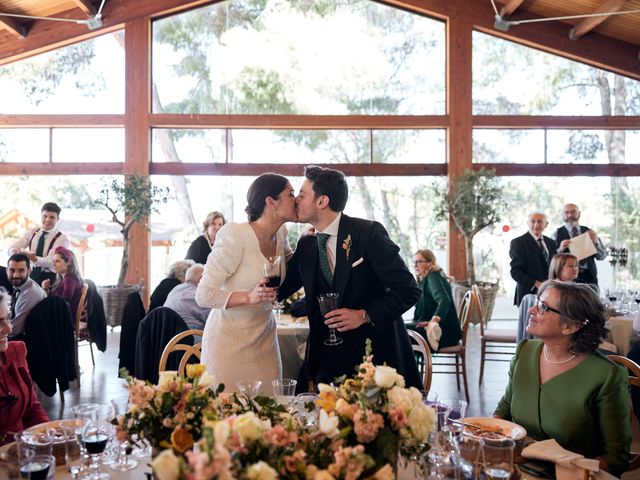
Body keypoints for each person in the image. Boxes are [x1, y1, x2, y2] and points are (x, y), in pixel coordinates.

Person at [278, 165, 422, 390]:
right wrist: (273, 227)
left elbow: (409, 290)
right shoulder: (306, 245)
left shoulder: (368, 234)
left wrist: (364, 315)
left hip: (375, 360)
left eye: (302, 194)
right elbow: (280, 289)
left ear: (322, 201)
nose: (296, 199)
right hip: (328, 362)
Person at [495, 280, 631, 476]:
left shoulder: (607, 376)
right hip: (516, 470)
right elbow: (504, 411)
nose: (531, 310)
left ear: (570, 326)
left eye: (543, 307)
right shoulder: (525, 351)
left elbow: (616, 457)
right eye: (537, 302)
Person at [195, 173, 296, 394]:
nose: (296, 199)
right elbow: (203, 294)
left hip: (265, 341)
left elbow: (292, 263)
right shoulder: (235, 234)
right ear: (271, 202)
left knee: (271, 413)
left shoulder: (281, 233)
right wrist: (249, 297)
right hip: (228, 345)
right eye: (290, 194)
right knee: (229, 420)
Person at [0, 288, 50, 444]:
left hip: (25, 452)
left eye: (8, 319)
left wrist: (48, 433)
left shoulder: (15, 352)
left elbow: (31, 407)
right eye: (0, 323)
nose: (9, 329)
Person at [405, 249, 461, 351]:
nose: (415, 265)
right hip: (446, 330)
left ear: (430, 263)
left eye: (419, 262)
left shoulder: (433, 276)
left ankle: (402, 366)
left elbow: (444, 300)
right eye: (414, 262)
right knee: (399, 328)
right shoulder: (427, 279)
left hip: (445, 332)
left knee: (398, 331)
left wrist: (433, 321)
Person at [517, 253, 579, 341]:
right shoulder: (553, 289)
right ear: (558, 268)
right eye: (570, 266)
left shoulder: (573, 287)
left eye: (576, 266)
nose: (575, 269)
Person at [8, 202, 69, 286]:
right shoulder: (33, 232)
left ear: (57, 219)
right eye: (45, 216)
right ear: (41, 216)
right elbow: (14, 247)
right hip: (30, 274)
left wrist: (35, 259)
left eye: (52, 217)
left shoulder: (62, 239)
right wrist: (14, 251)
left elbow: (52, 262)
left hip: (49, 278)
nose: (47, 220)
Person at [552, 203, 606, 289]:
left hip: (590, 279)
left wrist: (596, 243)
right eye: (566, 212)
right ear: (562, 215)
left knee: (592, 302)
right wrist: (560, 250)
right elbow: (551, 260)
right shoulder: (556, 234)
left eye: (573, 212)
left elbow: (602, 256)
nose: (570, 215)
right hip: (566, 281)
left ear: (579, 214)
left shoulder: (590, 232)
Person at [509, 211, 556, 306]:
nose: (536, 224)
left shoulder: (551, 242)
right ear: (528, 223)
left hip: (549, 293)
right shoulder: (518, 242)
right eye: (533, 221)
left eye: (540, 221)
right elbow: (515, 272)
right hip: (528, 293)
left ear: (546, 224)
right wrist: (536, 284)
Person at [6, 254, 46, 341]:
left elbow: (14, 330)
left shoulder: (31, 294)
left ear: (29, 271)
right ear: (7, 271)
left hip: (28, 344)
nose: (15, 275)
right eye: (12, 270)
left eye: (21, 270)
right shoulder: (20, 287)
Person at [164, 264, 211, 337]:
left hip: (173, 341)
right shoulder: (195, 295)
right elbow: (213, 318)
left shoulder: (175, 290)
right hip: (192, 343)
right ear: (202, 280)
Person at [42, 246, 84, 318]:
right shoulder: (64, 279)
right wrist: (46, 289)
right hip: (61, 317)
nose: (54, 264)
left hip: (64, 320)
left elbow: (62, 303)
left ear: (69, 262)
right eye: (53, 261)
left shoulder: (70, 280)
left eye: (57, 261)